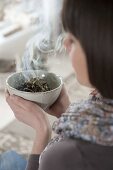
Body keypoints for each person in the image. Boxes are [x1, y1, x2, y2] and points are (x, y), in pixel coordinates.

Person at [5, 0, 113, 169]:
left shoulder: (67, 156)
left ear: (102, 48)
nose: (65, 43)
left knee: (8, 161)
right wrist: (66, 112)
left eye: (74, 39)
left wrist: (42, 129)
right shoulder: (101, 107)